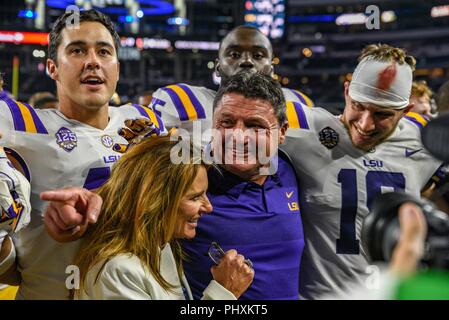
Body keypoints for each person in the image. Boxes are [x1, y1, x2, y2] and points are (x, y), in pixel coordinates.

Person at [0, 9, 164, 299]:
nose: (92, 62)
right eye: (77, 50)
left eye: (104, 52)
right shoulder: (20, 126)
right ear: (52, 67)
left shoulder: (148, 123)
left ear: (117, 66)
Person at [281, 44, 443, 299]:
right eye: (358, 105)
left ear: (406, 111)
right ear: (346, 92)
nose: (366, 123)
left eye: (382, 114)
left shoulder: (425, 138)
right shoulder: (302, 126)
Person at [72, 135, 253, 300]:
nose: (209, 207)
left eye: (205, 194)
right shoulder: (118, 270)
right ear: (155, 200)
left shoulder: (161, 247)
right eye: (195, 197)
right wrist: (224, 292)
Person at [180, 72, 305, 299]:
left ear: (282, 132)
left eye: (255, 126)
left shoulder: (291, 169)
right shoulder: (185, 183)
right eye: (226, 122)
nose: (238, 137)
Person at [150, 25, 313, 147]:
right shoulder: (182, 101)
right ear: (218, 67)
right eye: (234, 54)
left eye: (258, 55)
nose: (247, 61)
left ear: (271, 69)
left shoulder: (297, 105)